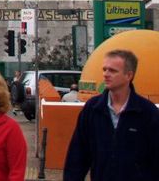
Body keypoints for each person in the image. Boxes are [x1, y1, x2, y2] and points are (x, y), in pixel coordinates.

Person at [63, 49, 159, 180]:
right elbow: (77, 156)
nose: (106, 74)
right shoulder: (92, 109)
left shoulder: (147, 112)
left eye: (112, 71)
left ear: (129, 75)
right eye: (104, 69)